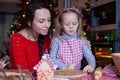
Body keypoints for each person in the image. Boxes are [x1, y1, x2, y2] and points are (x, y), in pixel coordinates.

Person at [9, 0, 51, 73]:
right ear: (29, 23)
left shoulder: (46, 38)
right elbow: (24, 73)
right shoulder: (17, 39)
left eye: (49, 20)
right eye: (41, 21)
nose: (47, 25)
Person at [50, 6, 96, 73]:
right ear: (61, 25)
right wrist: (64, 67)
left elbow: (89, 55)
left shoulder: (81, 40)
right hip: (60, 73)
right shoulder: (57, 40)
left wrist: (92, 64)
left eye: (74, 24)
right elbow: (52, 58)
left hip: (76, 73)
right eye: (67, 24)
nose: (71, 27)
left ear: (78, 24)